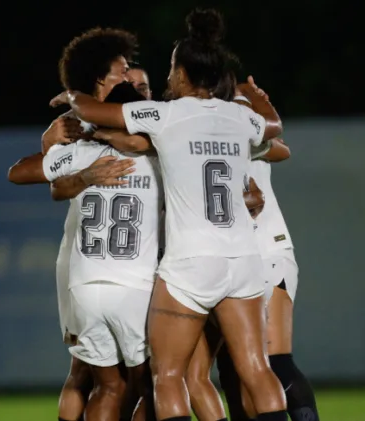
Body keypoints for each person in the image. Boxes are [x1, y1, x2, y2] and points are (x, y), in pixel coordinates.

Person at [50, 8, 288, 421]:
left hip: (190, 264)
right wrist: (261, 101)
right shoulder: (239, 117)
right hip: (243, 259)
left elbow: (95, 112)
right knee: (256, 368)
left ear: (183, 74)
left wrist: (71, 97)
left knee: (168, 376)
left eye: (172, 69)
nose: (167, 79)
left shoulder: (166, 114)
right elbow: (272, 127)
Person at [8, 26, 139, 421]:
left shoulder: (85, 140)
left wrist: (60, 148)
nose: (132, 75)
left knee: (102, 380)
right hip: (123, 271)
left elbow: (36, 178)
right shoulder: (137, 137)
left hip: (88, 273)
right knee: (127, 379)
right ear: (101, 77)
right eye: (124, 68)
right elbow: (55, 187)